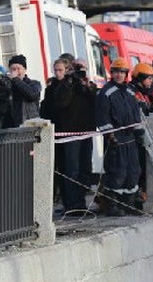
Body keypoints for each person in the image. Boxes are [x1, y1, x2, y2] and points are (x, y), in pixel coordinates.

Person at [96, 58, 142, 216]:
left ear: (126, 74)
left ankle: (129, 203)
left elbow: (135, 113)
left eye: (121, 72)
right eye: (115, 72)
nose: (118, 75)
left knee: (133, 171)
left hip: (130, 138)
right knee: (117, 171)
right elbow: (102, 116)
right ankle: (111, 205)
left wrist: (138, 130)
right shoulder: (106, 92)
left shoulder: (129, 92)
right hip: (115, 138)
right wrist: (110, 133)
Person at [54, 58, 97, 215]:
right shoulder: (64, 84)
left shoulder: (87, 84)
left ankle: (81, 202)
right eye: (77, 68)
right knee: (72, 169)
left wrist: (85, 84)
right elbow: (61, 102)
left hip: (86, 132)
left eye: (82, 68)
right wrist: (70, 80)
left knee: (85, 168)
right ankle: (72, 205)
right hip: (70, 133)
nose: (80, 71)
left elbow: (95, 100)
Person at [0, 54, 42, 128]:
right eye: (13, 69)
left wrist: (16, 80)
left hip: (29, 125)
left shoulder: (34, 83)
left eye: (18, 68)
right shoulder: (6, 85)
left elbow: (32, 94)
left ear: (24, 69)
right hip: (9, 126)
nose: (15, 71)